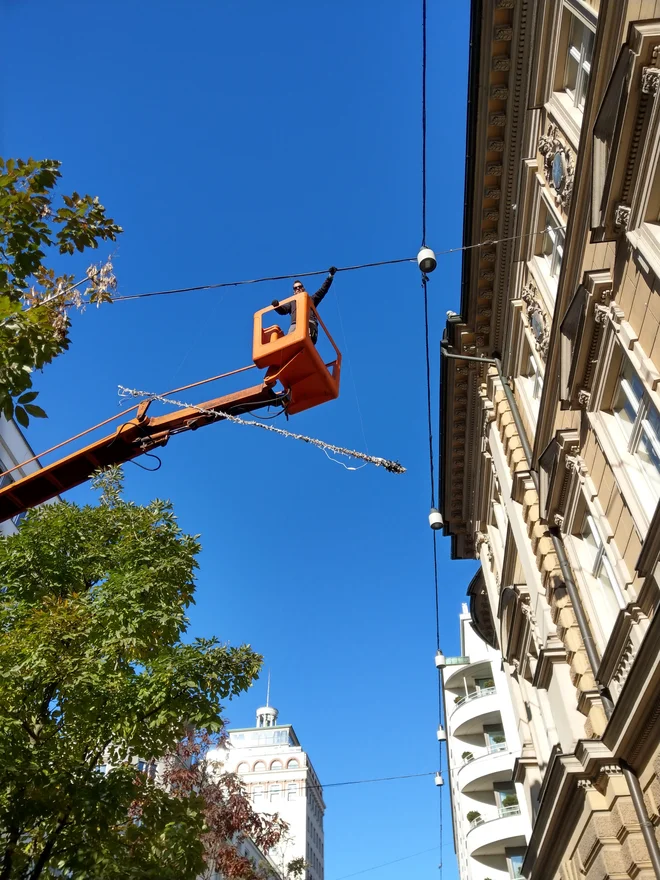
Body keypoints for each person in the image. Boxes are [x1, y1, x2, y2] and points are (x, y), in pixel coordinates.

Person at [271, 267, 337, 344]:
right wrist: (276, 306)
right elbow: (283, 310)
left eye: (300, 287)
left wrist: (330, 276)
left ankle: (307, 343)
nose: (298, 288)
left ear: (303, 289)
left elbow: (323, 290)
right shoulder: (292, 302)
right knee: (289, 342)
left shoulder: (311, 300)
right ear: (294, 292)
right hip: (295, 325)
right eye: (295, 288)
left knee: (305, 336)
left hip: (309, 323)